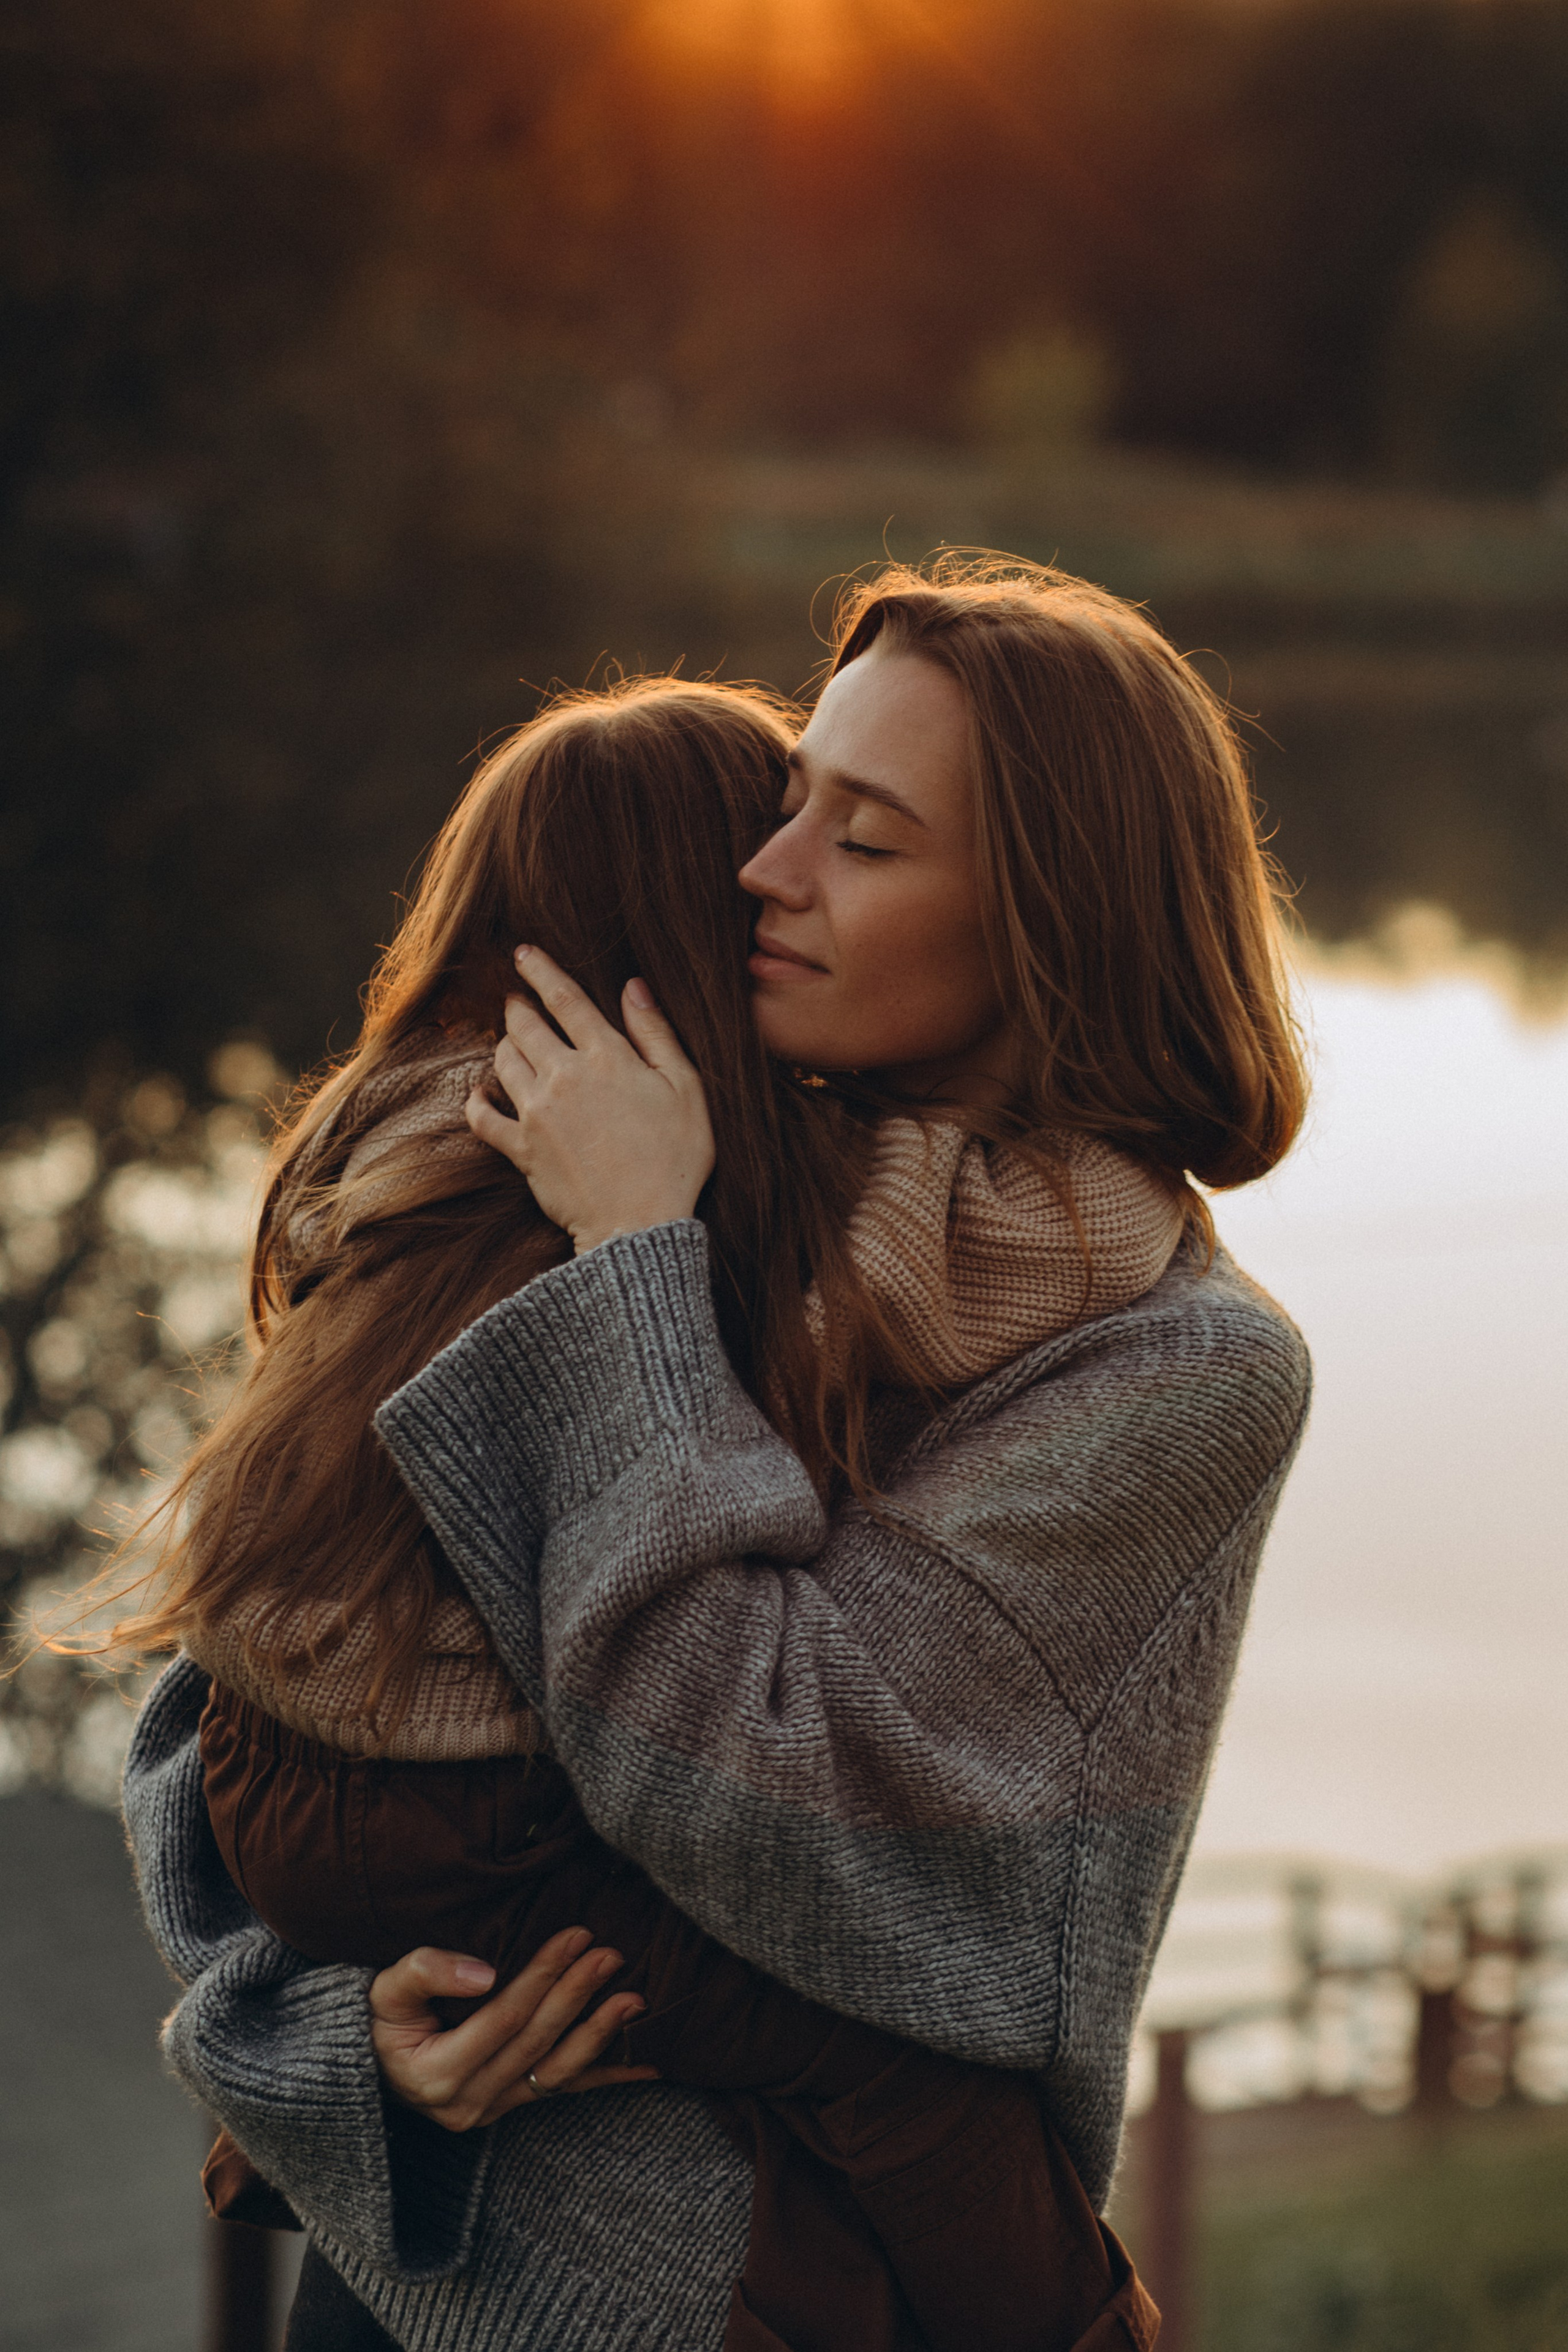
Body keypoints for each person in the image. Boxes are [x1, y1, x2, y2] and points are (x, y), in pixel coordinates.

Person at [122, 557, 1312, 2352]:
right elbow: (251, 1662)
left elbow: (748, 1786)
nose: (764, 872)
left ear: (1049, 919)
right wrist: (304, 2037)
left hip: (750, 2300)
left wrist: (635, 1273)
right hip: (408, 2272)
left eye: (867, 838)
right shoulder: (669, 1153)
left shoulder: (1170, 1373)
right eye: (789, 803)